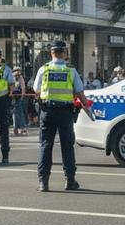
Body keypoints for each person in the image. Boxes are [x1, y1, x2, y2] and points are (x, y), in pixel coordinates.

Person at [32, 41, 88, 192]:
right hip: (65, 113)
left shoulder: (44, 69)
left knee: (45, 146)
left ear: (51, 53)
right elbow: (80, 92)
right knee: (67, 147)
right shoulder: (71, 70)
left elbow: (36, 89)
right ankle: (70, 181)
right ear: (64, 53)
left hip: (47, 111)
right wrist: (86, 107)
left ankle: (43, 182)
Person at [11, 66, 28, 136]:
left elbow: (10, 86)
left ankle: (16, 129)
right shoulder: (20, 77)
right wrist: (22, 96)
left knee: (15, 113)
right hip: (18, 97)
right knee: (20, 113)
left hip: (13, 97)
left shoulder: (11, 76)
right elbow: (23, 87)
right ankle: (22, 128)